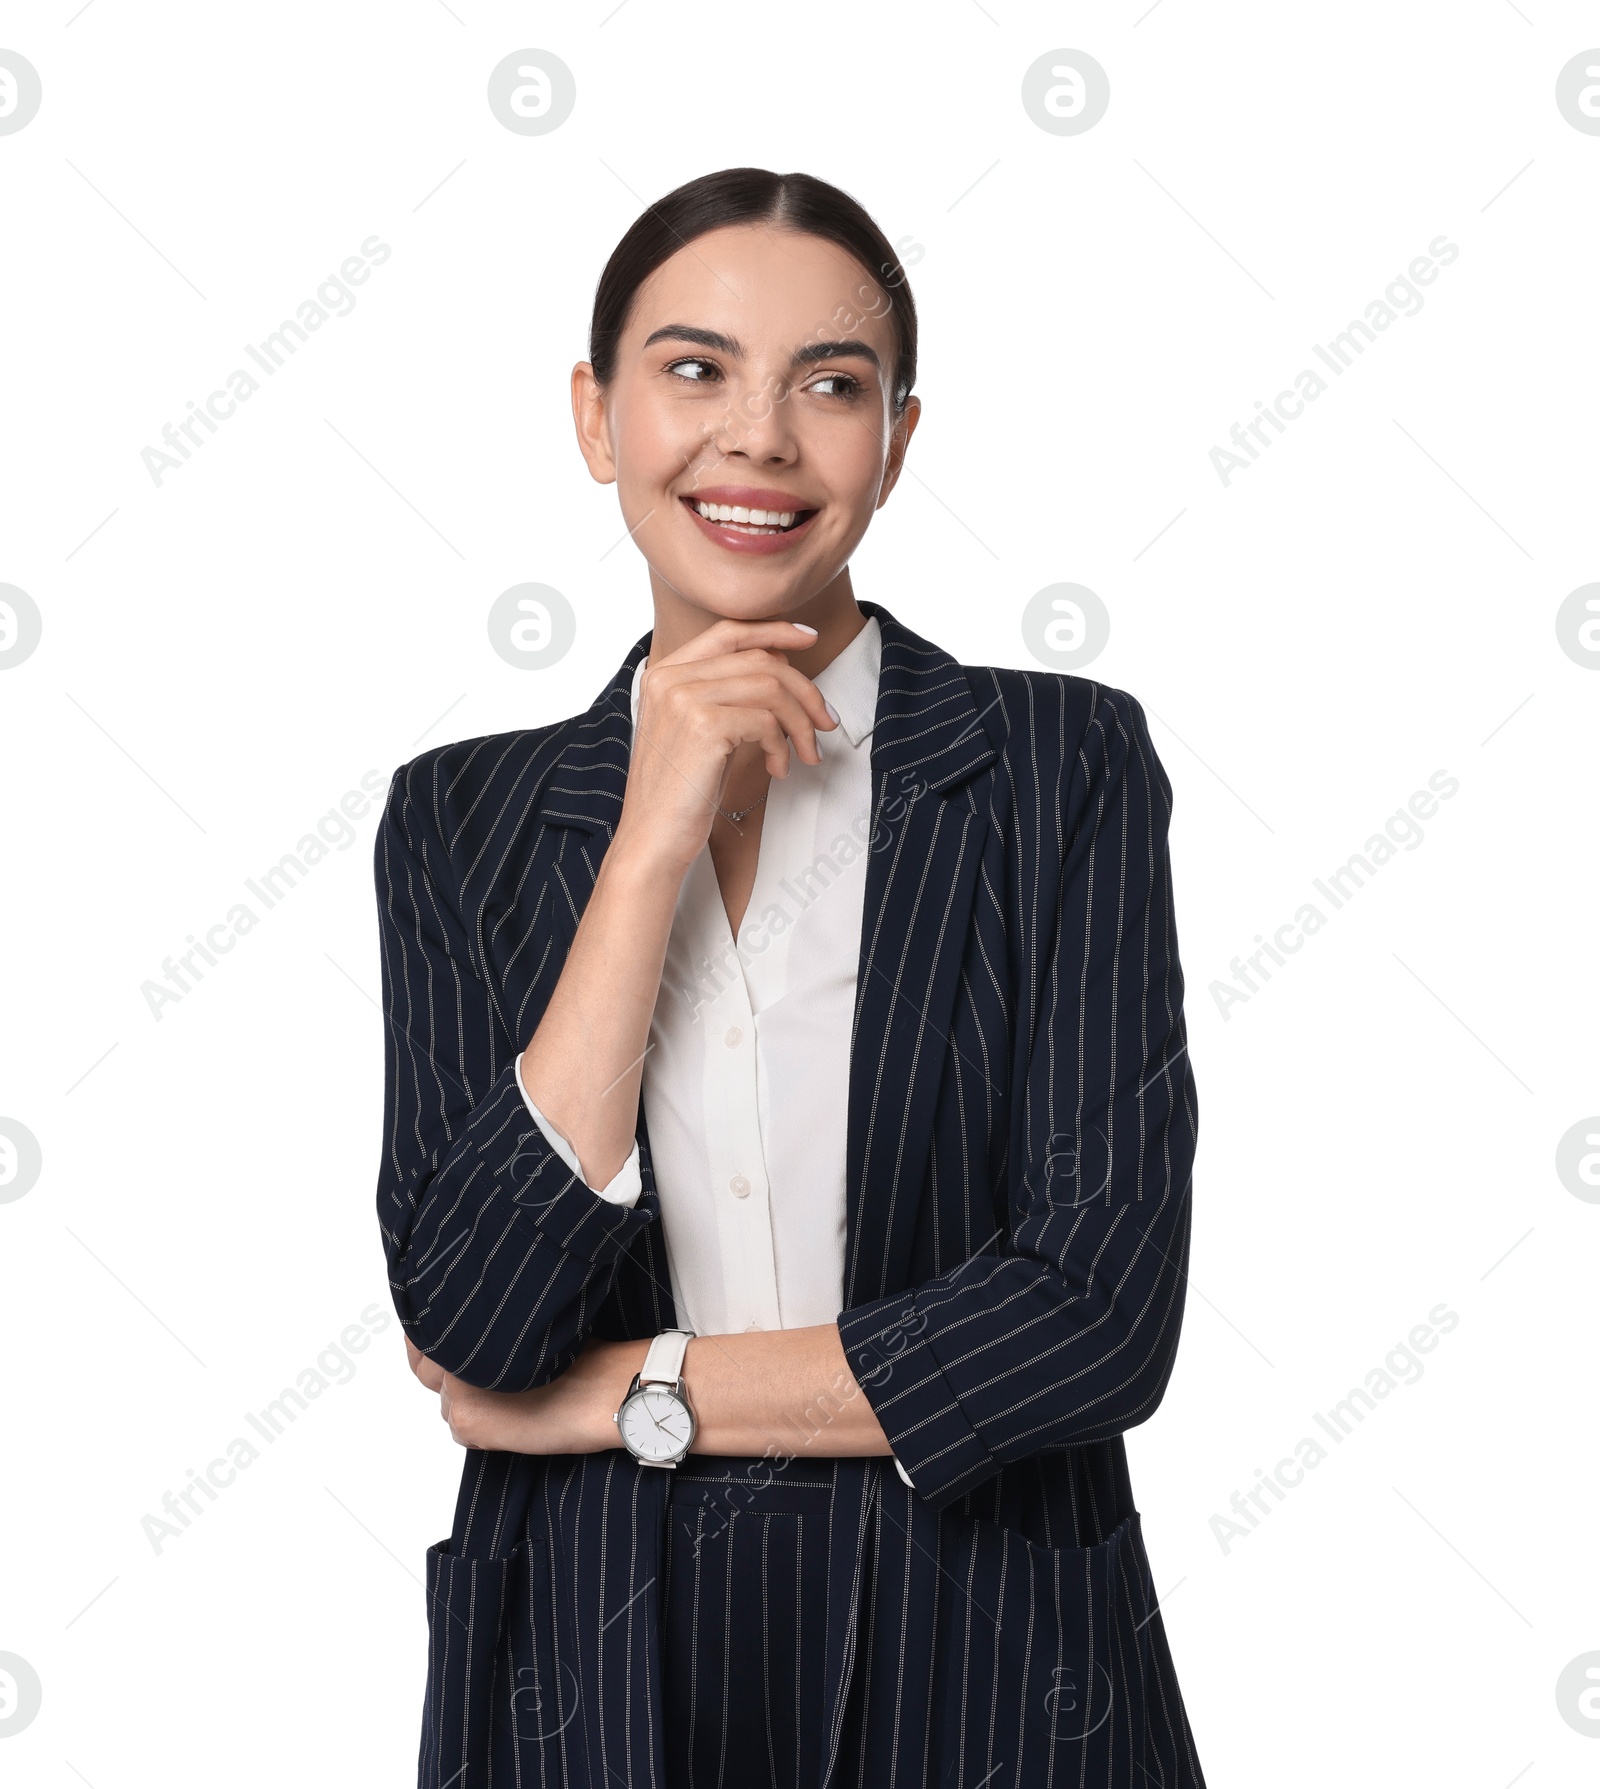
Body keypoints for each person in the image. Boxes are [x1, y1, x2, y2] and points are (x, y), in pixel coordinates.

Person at [374, 165, 1206, 1788]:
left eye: (829, 386)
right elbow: (474, 1321)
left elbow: (1097, 1319)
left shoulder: (1057, 767)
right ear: (596, 416)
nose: (758, 437)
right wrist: (644, 846)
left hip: (993, 1666)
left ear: (896, 439)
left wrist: (634, 1391)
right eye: (694, 370)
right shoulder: (461, 816)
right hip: (589, 1677)